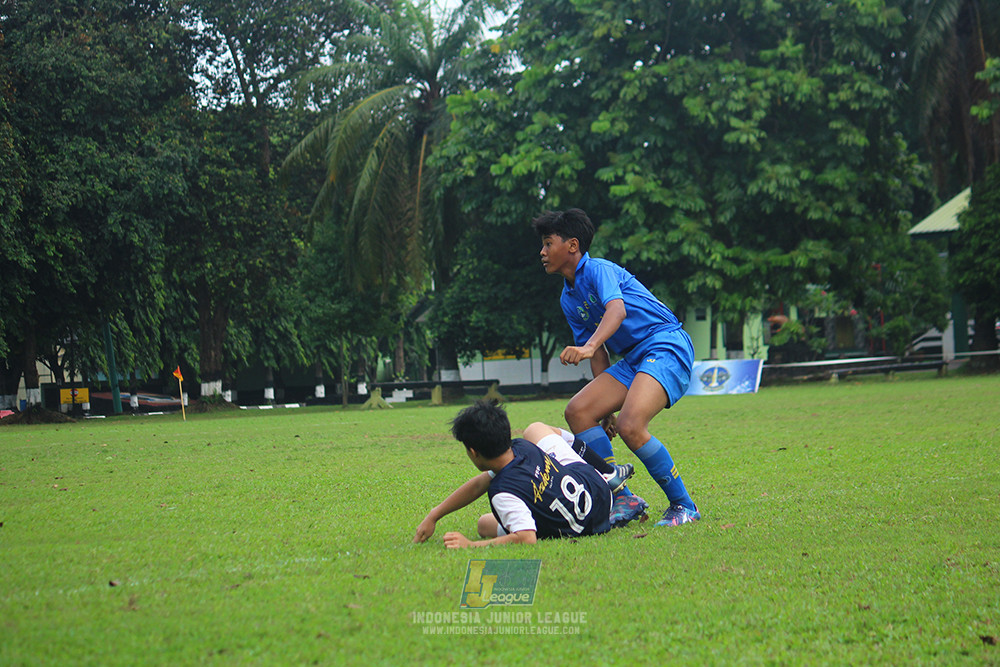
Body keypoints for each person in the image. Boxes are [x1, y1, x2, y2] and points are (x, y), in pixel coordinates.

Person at [532, 208, 701, 528]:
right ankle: (620, 496)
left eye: (547, 243)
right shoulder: (568, 298)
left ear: (572, 245)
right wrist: (604, 409)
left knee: (631, 425)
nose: (542, 252)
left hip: (665, 343)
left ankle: (684, 505)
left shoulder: (598, 270)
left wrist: (590, 345)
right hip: (634, 357)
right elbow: (598, 357)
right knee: (579, 411)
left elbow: (617, 311)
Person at [413, 400, 633, 548]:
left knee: (487, 527)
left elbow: (527, 537)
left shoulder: (503, 492)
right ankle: (607, 472)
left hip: (586, 525)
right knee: (536, 428)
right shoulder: (521, 446)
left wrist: (470, 545)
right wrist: (435, 514)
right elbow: (480, 483)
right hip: (600, 494)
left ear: (473, 452)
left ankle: (608, 472)